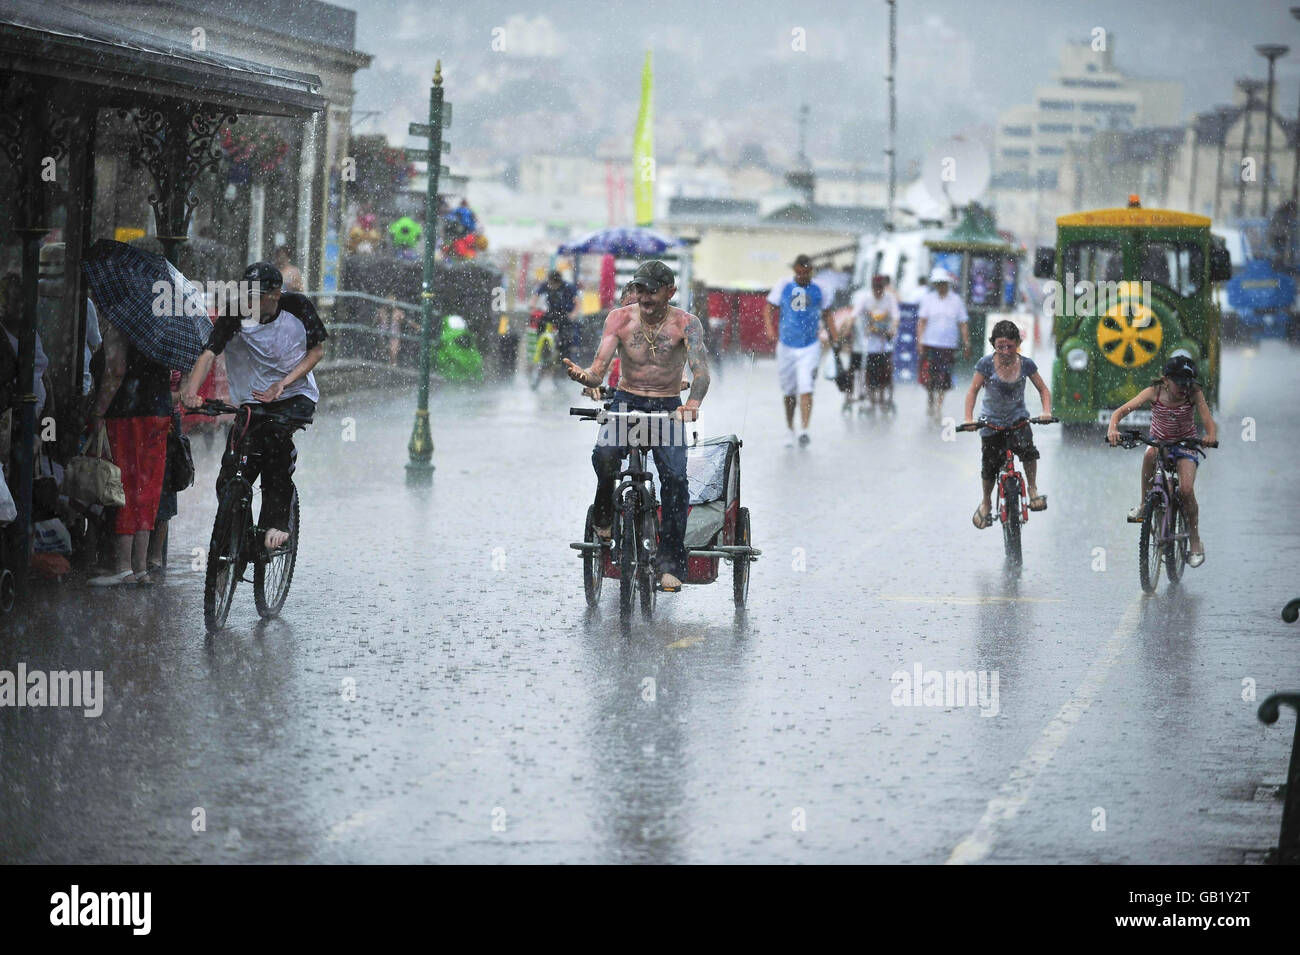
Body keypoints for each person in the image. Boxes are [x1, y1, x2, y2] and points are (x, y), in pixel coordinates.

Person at [562, 260, 710, 593]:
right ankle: (603, 513)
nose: (644, 297)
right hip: (626, 403)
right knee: (604, 457)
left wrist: (692, 405)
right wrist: (585, 377)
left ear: (670, 291)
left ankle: (671, 562)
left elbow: (701, 372)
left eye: (652, 290)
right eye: (639, 289)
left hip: (668, 408)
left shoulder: (687, 325)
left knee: (674, 477)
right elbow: (599, 369)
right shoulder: (619, 318)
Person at [181, 262, 327, 554]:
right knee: (233, 469)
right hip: (253, 399)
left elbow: (317, 351)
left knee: (275, 444)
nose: (250, 301)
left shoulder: (297, 307)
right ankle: (240, 535)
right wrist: (191, 392)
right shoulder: (235, 313)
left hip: (294, 394)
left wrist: (282, 384)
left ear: (275, 294)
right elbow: (209, 353)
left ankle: (276, 523)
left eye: (257, 295)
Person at [1106, 355, 1217, 566]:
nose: (1184, 388)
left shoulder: (1194, 393)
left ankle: (1194, 540)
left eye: (1188, 383)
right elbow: (1119, 413)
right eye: (1179, 383)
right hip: (1159, 443)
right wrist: (1113, 429)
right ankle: (1143, 504)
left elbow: (1209, 422)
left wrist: (1210, 436)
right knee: (1149, 454)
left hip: (1186, 446)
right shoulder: (1153, 392)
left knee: (1185, 490)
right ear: (1166, 380)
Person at [84, 313, 170, 586]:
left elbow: (116, 370)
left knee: (121, 484)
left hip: (127, 412)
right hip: (159, 412)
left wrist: (98, 411)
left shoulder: (122, 320)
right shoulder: (162, 322)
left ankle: (122, 567)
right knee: (147, 488)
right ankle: (141, 567)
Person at [963, 320, 1053, 530]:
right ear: (993, 344)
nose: (1005, 351)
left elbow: (1043, 390)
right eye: (1000, 346)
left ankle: (1032, 488)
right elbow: (972, 391)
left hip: (1017, 419)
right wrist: (968, 419)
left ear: (1018, 344)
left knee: (1029, 452)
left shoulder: (1026, 364)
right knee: (989, 466)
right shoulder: (985, 364)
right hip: (991, 423)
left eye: (1009, 346)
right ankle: (986, 502)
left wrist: (1046, 411)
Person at [765, 254, 831, 447]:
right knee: (789, 392)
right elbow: (769, 308)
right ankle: (789, 428)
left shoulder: (821, 288)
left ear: (811, 271)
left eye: (805, 272)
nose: (801, 276)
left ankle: (804, 429)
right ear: (794, 270)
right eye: (798, 272)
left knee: (806, 388)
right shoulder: (783, 285)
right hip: (786, 345)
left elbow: (828, 315)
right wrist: (770, 330)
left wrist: (836, 339)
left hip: (810, 345)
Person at [916, 266, 970, 425]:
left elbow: (963, 323)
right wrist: (919, 341)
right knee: (929, 377)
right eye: (938, 283)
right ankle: (930, 399)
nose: (941, 286)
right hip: (930, 344)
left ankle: (939, 406)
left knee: (943, 377)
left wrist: (967, 343)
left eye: (943, 283)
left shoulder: (956, 301)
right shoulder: (928, 299)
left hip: (948, 345)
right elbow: (922, 321)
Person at [848, 274, 900, 413]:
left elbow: (896, 317)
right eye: (876, 288)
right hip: (870, 342)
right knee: (870, 372)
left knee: (886, 371)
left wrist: (893, 329)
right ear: (872, 287)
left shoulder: (890, 298)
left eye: (880, 287)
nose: (878, 290)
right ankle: (871, 399)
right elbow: (854, 314)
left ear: (884, 287)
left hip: (886, 341)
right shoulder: (865, 299)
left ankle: (884, 398)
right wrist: (849, 327)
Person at [534, 270, 579, 362]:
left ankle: (562, 354)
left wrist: (573, 314)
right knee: (541, 323)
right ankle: (542, 344)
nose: (551, 286)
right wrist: (532, 306)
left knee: (565, 337)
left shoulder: (568, 287)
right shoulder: (546, 285)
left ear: (559, 282)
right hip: (552, 312)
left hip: (565, 314)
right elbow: (535, 296)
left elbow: (577, 302)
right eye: (549, 283)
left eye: (553, 284)